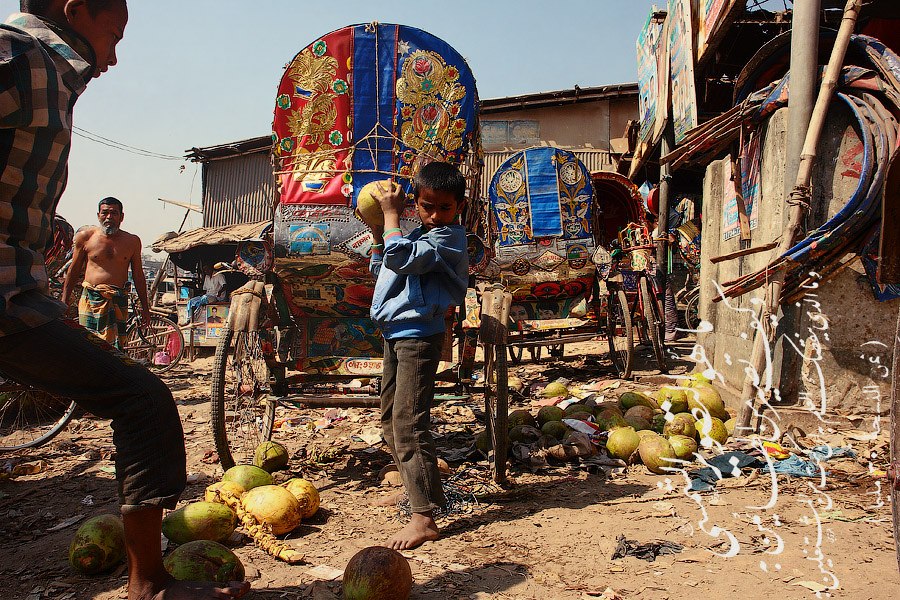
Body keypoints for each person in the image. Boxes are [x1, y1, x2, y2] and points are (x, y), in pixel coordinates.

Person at [0, 2, 248, 599]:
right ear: (75, 9)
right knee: (142, 400)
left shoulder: (50, 77)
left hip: (22, 296)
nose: (113, 56)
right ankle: (150, 584)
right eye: (112, 36)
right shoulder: (20, 57)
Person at [360, 162, 469, 550]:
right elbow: (385, 266)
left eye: (445, 207)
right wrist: (379, 232)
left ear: (458, 208)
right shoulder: (413, 236)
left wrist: (391, 218)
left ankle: (424, 518)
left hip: (420, 338)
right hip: (395, 334)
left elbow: (405, 259)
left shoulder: (449, 239)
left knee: (409, 423)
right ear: (417, 204)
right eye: (427, 206)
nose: (436, 214)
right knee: (390, 420)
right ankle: (416, 491)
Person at [62, 197, 148, 350]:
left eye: (114, 213)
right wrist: (64, 301)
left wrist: (145, 308)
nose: (109, 217)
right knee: (88, 345)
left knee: (115, 348)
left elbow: (138, 276)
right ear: (98, 215)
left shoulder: (132, 241)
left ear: (121, 217)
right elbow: (73, 271)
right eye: (105, 213)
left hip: (117, 301)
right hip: (90, 299)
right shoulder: (85, 238)